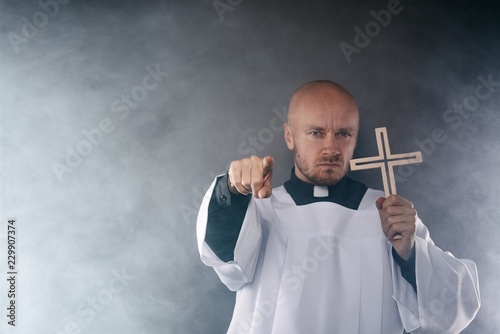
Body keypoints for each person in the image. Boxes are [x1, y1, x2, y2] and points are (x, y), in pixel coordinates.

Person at [196, 80, 480, 333]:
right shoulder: (260, 210)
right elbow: (226, 266)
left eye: (343, 134)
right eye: (316, 133)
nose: (331, 148)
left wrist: (409, 254)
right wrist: (231, 192)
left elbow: (450, 311)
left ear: (355, 138)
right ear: (289, 136)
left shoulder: (388, 213)